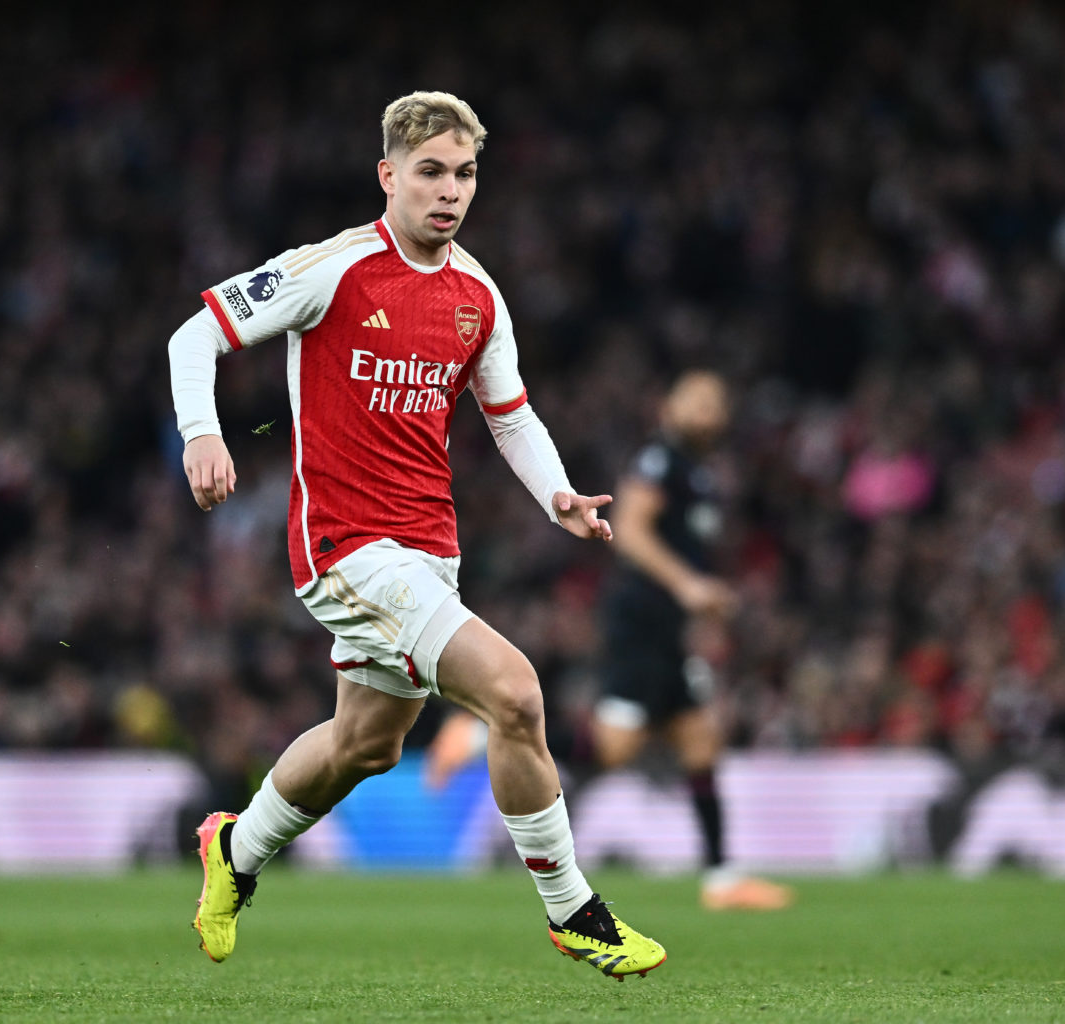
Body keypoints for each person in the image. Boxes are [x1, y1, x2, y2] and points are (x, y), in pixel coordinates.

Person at [167, 91, 666, 980]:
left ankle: (236, 849)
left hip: (429, 548)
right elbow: (192, 337)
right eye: (430, 172)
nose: (449, 192)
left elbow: (509, 415)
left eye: (465, 174)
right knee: (514, 694)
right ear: (388, 175)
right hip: (347, 549)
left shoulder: (477, 293)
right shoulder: (334, 269)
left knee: (367, 744)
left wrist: (557, 495)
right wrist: (201, 431)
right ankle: (573, 912)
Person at [592, 371, 792, 910]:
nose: (707, 411)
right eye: (696, 401)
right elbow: (629, 531)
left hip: (666, 626)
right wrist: (688, 585)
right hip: (641, 621)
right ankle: (478, 739)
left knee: (700, 738)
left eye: (716, 403)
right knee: (616, 748)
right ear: (668, 406)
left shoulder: (696, 470)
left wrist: (701, 598)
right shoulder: (660, 459)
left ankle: (723, 879)